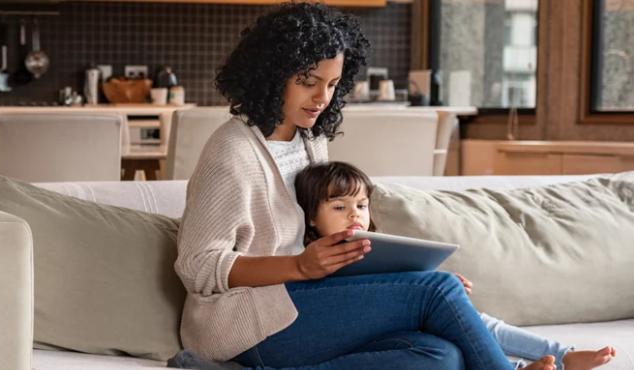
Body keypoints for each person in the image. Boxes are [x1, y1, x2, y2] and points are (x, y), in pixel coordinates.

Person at [170, 2, 537, 369]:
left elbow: (322, 241)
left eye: (332, 84)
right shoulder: (231, 151)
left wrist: (401, 279)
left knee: (441, 356)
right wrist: (298, 267)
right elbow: (197, 266)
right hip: (243, 324)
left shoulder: (310, 139)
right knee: (439, 290)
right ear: (271, 75)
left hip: (302, 302)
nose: (322, 98)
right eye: (308, 82)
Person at [293, 160, 618, 370]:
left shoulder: (376, 248)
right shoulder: (314, 256)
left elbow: (400, 286)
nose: (355, 215)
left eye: (361, 205)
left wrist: (437, 292)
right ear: (311, 217)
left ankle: (562, 355)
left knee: (474, 324)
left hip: (399, 326)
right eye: (339, 207)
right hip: (356, 331)